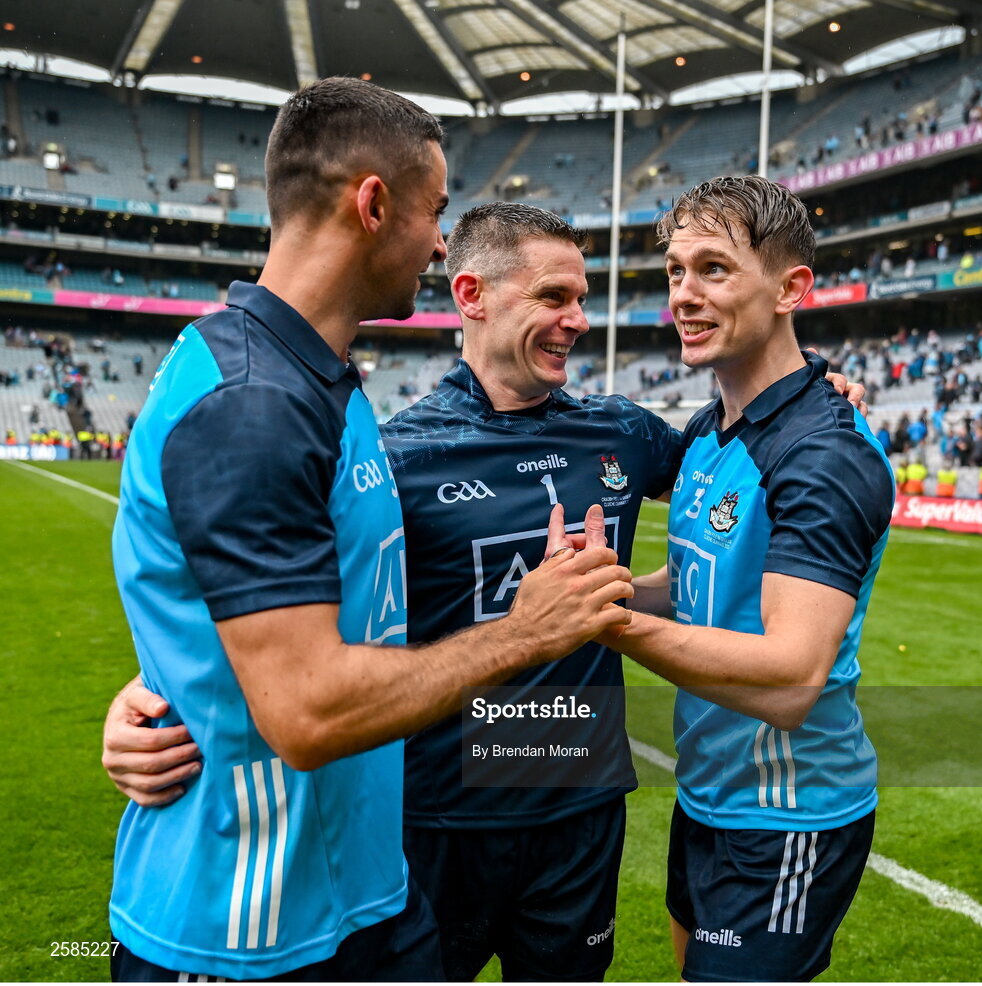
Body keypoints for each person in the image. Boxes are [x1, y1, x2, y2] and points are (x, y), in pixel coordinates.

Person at [103, 199, 865, 980]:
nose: (577, 320)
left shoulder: (622, 433)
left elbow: (739, 459)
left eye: (580, 299)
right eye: (553, 299)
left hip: (577, 815)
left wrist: (814, 388)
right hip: (440, 818)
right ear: (471, 297)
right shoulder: (396, 456)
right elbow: (271, 609)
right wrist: (148, 694)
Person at [103, 79, 632, 984]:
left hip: (366, 897)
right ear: (373, 203)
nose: (437, 240)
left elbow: (273, 614)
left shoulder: (318, 383)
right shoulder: (251, 404)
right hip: (247, 927)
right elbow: (306, 710)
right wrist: (525, 633)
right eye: (432, 212)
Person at [610, 176, 893, 982]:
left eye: (714, 270)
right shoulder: (709, 430)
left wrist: (607, 626)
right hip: (709, 796)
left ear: (791, 288)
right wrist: (608, 591)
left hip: (791, 814)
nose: (684, 296)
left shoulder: (824, 453)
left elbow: (790, 681)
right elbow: (693, 586)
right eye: (674, 271)